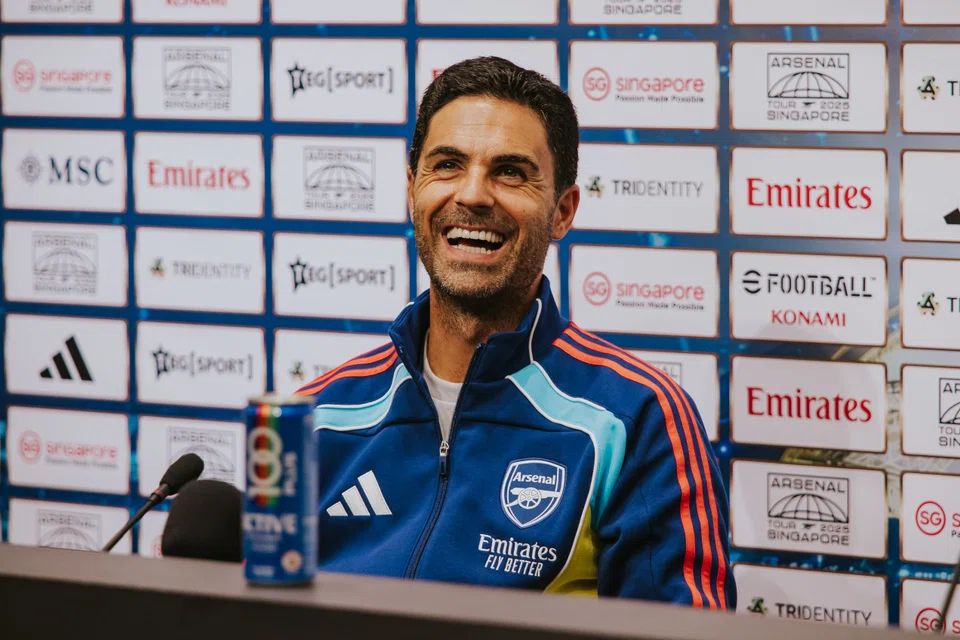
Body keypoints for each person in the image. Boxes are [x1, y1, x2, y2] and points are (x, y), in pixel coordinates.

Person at [295, 56, 736, 608]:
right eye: (448, 165)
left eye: (510, 172)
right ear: (413, 190)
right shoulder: (317, 416)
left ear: (562, 212)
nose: (474, 195)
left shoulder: (636, 420)